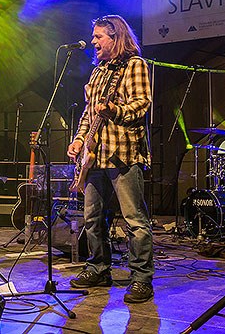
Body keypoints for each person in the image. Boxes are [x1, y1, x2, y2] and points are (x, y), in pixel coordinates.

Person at [66, 15, 154, 304]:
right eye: (93, 37)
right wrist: (79, 140)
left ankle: (141, 279)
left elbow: (142, 104)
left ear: (115, 37)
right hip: (94, 156)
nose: (93, 42)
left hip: (123, 153)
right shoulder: (98, 71)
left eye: (99, 37)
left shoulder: (135, 65)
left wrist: (116, 111)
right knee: (92, 219)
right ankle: (99, 268)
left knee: (134, 221)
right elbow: (89, 114)